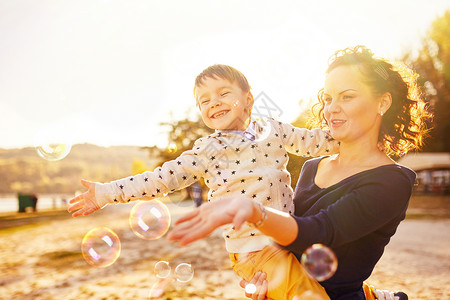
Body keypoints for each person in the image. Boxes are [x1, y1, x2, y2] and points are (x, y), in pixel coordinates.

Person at [167, 46, 431, 300]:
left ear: (383, 102)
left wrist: (253, 210)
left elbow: (319, 232)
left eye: (347, 96)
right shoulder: (312, 166)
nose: (331, 108)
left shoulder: (392, 181)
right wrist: (267, 283)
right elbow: (289, 246)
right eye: (328, 98)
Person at [68, 64, 339, 299]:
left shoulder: (273, 129)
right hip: (254, 250)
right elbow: (161, 179)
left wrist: (360, 136)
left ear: (248, 99)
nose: (214, 103)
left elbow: (314, 142)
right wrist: (105, 192)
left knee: (341, 285)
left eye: (223, 93)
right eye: (204, 101)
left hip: (292, 235)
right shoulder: (207, 150)